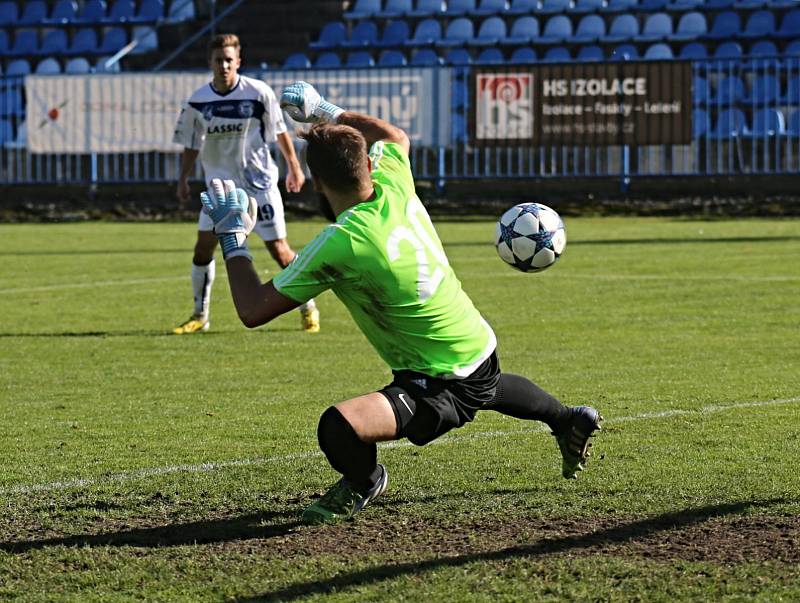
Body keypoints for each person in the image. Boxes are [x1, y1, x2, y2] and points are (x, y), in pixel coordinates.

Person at [198, 81, 602, 525]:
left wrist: (233, 237)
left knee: (339, 428)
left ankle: (364, 479)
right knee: (489, 385)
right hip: (473, 340)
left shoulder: (343, 241)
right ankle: (567, 419)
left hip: (437, 378)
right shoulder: (392, 179)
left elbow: (253, 311)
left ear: (319, 182)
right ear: (368, 166)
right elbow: (395, 138)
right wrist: (326, 111)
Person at [171, 34, 319, 334]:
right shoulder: (198, 101)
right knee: (202, 249)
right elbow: (191, 143)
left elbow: (280, 132)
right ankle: (200, 315)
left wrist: (294, 167)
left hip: (258, 185)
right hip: (220, 191)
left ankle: (308, 307)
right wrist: (184, 178)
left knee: (279, 250)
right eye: (218, 60)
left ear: (238, 61)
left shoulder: (258, 93)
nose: (224, 65)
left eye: (229, 60)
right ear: (209, 62)